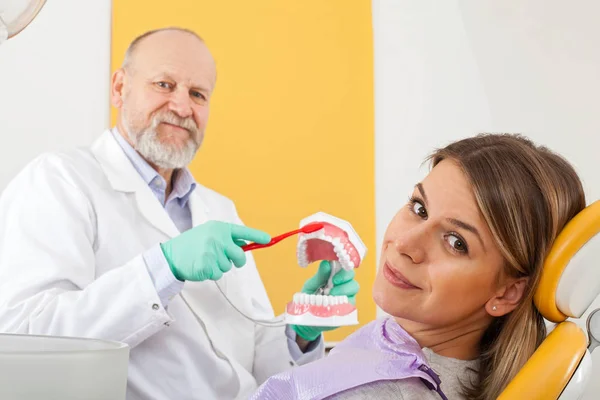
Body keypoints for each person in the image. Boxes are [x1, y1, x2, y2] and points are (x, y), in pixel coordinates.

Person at [0, 27, 359, 400]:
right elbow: (27, 339)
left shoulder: (220, 209)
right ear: (119, 88)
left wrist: (298, 334)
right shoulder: (59, 181)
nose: (183, 107)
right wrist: (163, 268)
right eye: (164, 84)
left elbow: (255, 366)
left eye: (198, 94)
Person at [251, 133, 586, 400]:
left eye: (456, 242)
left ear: (508, 292)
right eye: (419, 208)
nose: (406, 244)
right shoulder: (411, 348)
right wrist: (302, 340)